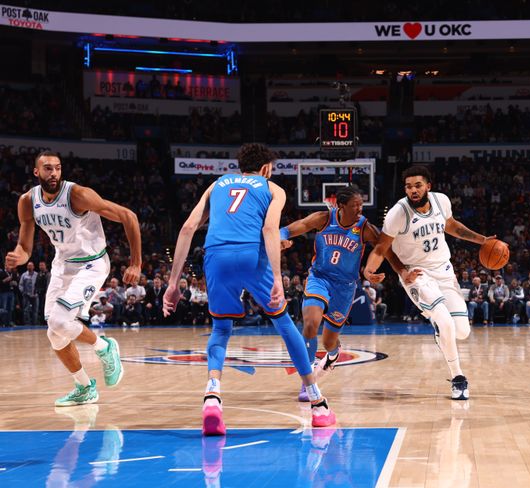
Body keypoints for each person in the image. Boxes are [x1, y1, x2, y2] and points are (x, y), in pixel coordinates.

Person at [163, 143, 335, 433]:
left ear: (239, 164)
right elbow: (269, 230)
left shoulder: (216, 185)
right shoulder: (271, 188)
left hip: (216, 256)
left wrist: (172, 284)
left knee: (220, 329)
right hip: (252, 256)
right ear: (266, 168)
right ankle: (317, 402)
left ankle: (212, 396)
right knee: (283, 322)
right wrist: (278, 277)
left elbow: (187, 228)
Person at [4, 151, 140, 406]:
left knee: (59, 320)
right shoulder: (27, 201)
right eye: (47, 168)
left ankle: (105, 347)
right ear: (36, 172)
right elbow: (25, 248)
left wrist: (136, 263)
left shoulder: (78, 195)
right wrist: (18, 257)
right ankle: (85, 387)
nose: (53, 173)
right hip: (62, 265)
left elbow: (128, 216)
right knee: (55, 334)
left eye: (57, 168)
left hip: (92, 263)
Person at [365, 165, 498, 400]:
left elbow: (452, 226)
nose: (413, 190)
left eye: (417, 185)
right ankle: (458, 378)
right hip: (417, 274)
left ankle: (439, 328)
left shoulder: (441, 201)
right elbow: (381, 247)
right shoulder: (398, 212)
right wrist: (369, 270)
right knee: (445, 322)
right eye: (408, 186)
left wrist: (482, 240)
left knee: (463, 332)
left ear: (428, 186)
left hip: (444, 271)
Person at [280, 186, 405, 401]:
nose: (359, 209)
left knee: (329, 342)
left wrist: (397, 270)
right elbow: (290, 229)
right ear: (341, 205)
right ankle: (308, 381)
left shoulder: (364, 227)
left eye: (361, 205)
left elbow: (383, 248)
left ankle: (333, 354)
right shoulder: (323, 219)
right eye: (355, 205)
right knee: (310, 324)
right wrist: (281, 238)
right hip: (320, 278)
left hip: (345, 287)